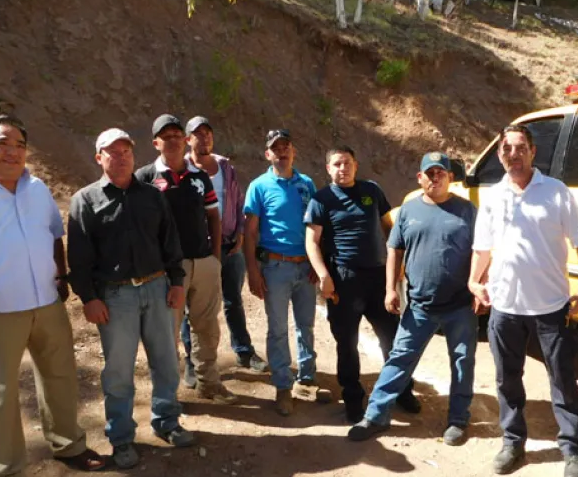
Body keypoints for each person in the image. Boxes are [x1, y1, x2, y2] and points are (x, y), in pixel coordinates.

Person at [0, 115, 104, 477]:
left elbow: (53, 233)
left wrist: (60, 276)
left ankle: (68, 445)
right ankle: (1, 474)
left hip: (45, 302)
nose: (12, 151)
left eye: (20, 144)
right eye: (2, 143)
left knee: (60, 375)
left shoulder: (36, 188)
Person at [469, 124, 578, 477]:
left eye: (520, 147)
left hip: (551, 309)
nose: (513, 154)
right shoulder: (492, 197)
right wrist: (474, 281)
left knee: (563, 379)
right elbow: (483, 248)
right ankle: (513, 442)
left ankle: (572, 449)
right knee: (508, 379)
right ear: (499, 155)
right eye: (506, 148)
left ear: (533, 151)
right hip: (505, 307)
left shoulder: (556, 192)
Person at [68, 128, 194, 470]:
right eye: (112, 152)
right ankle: (122, 439)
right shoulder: (85, 200)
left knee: (166, 361)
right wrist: (89, 298)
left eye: (126, 151)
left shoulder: (153, 196)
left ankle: (167, 421)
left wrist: (177, 281)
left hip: (156, 287)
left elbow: (170, 242)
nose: (121, 157)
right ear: (99, 157)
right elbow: (78, 258)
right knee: (119, 372)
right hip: (115, 296)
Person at [348, 152, 478, 446]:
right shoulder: (408, 210)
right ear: (420, 178)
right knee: (399, 359)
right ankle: (376, 416)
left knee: (462, 363)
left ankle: (458, 420)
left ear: (450, 178)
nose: (435, 178)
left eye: (440, 173)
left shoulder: (467, 211)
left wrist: (480, 286)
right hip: (419, 305)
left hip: (460, 305)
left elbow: (482, 251)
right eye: (429, 173)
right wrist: (390, 289)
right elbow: (395, 250)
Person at [304, 145, 420, 423]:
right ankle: (353, 396)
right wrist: (324, 276)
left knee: (392, 337)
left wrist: (398, 262)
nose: (342, 169)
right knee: (347, 342)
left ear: (356, 165)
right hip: (343, 278)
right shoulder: (321, 199)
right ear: (328, 169)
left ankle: (401, 389)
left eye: (347, 163)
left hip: (377, 276)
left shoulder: (372, 191)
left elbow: (390, 228)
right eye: (336, 164)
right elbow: (311, 242)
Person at [136, 114, 237, 404]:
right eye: (165, 137)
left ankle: (209, 383)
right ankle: (167, 395)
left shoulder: (199, 176)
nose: (172, 141)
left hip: (203, 263)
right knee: (167, 334)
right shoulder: (145, 178)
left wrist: (215, 258)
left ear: (184, 140)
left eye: (177, 135)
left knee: (207, 328)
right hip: (167, 270)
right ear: (156, 143)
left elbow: (213, 217)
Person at [244, 129, 329, 416]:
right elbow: (250, 232)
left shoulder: (306, 184)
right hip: (275, 266)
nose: (281, 152)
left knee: (306, 325)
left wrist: (319, 264)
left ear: (293, 151)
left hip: (305, 267)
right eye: (275, 148)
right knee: (278, 328)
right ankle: (283, 384)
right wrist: (252, 271)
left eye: (286, 147)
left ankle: (307, 377)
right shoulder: (258, 186)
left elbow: (318, 226)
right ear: (267, 154)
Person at [180, 115, 268, 383]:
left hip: (230, 244)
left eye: (208, 133)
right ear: (188, 140)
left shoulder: (225, 166)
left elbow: (238, 198)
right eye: (198, 134)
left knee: (233, 301)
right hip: (198, 249)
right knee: (192, 308)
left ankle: (243, 350)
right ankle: (192, 363)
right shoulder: (181, 170)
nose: (204, 138)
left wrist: (241, 232)